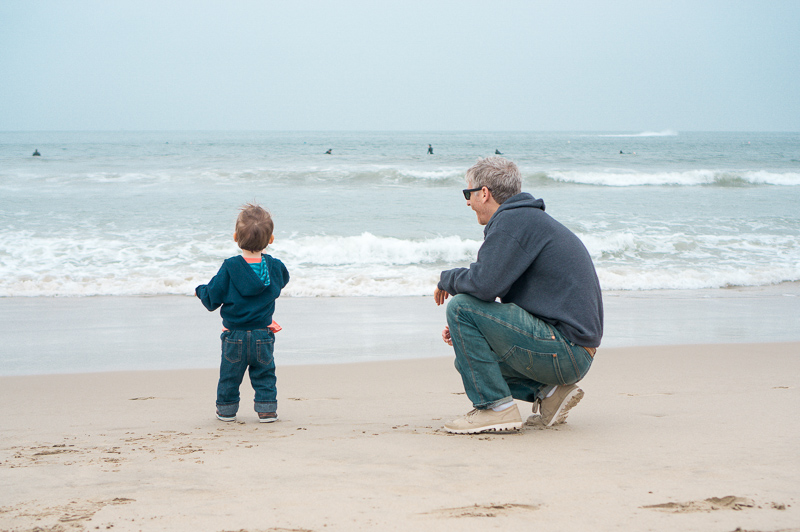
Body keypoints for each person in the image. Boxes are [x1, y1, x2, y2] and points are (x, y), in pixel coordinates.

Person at [434, 157, 603, 434]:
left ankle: (495, 409)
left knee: (461, 307)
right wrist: (470, 332)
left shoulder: (513, 222)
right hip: (573, 351)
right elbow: (494, 291)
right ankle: (549, 394)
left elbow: (483, 285)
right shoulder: (525, 219)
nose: (467, 202)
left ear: (484, 193)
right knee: (466, 359)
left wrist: (446, 279)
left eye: (468, 194)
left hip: (565, 350)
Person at [196, 203, 290, 423]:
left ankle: (227, 411)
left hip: (234, 336)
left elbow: (212, 298)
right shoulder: (274, 267)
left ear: (235, 237)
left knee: (229, 376)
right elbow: (282, 280)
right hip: (262, 335)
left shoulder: (230, 267)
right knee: (265, 374)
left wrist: (199, 290)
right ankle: (267, 410)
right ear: (271, 240)